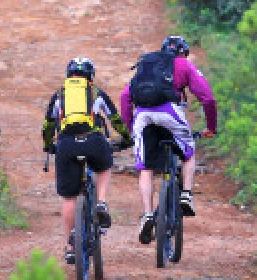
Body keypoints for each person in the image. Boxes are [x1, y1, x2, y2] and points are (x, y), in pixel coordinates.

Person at [120, 35, 217, 244]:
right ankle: (186, 195)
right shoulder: (184, 65)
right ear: (183, 52)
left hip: (143, 116)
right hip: (169, 111)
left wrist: (131, 130)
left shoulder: (147, 65)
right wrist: (211, 127)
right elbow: (207, 98)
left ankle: (147, 214)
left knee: (145, 168)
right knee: (189, 152)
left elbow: (125, 98)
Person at [41, 57, 132, 264]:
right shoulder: (96, 92)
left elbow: (48, 124)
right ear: (91, 76)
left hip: (66, 146)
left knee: (69, 198)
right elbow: (115, 118)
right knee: (104, 166)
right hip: (93, 141)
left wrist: (48, 145)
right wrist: (127, 138)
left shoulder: (59, 94)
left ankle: (71, 247)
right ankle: (100, 202)